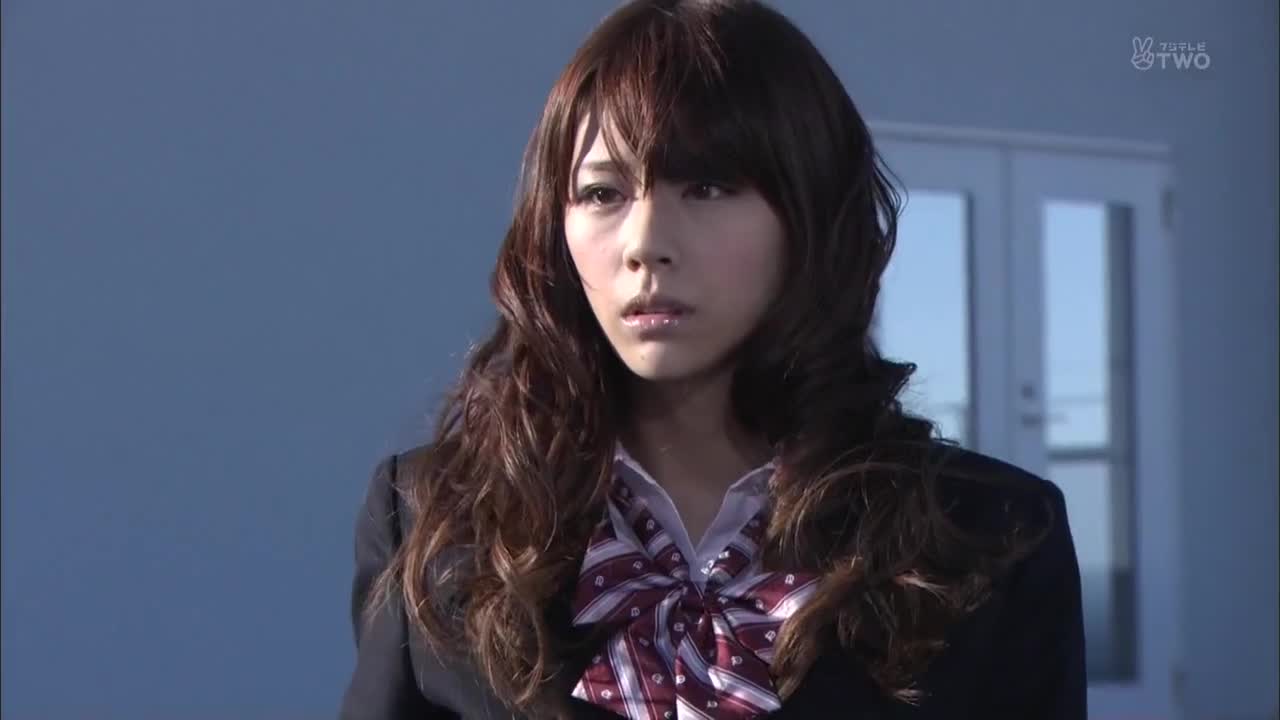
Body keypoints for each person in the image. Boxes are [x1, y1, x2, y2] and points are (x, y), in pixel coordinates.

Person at [338, 1, 1087, 718]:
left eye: (707, 187)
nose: (644, 243)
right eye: (601, 193)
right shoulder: (439, 520)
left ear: (810, 217)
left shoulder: (993, 537)